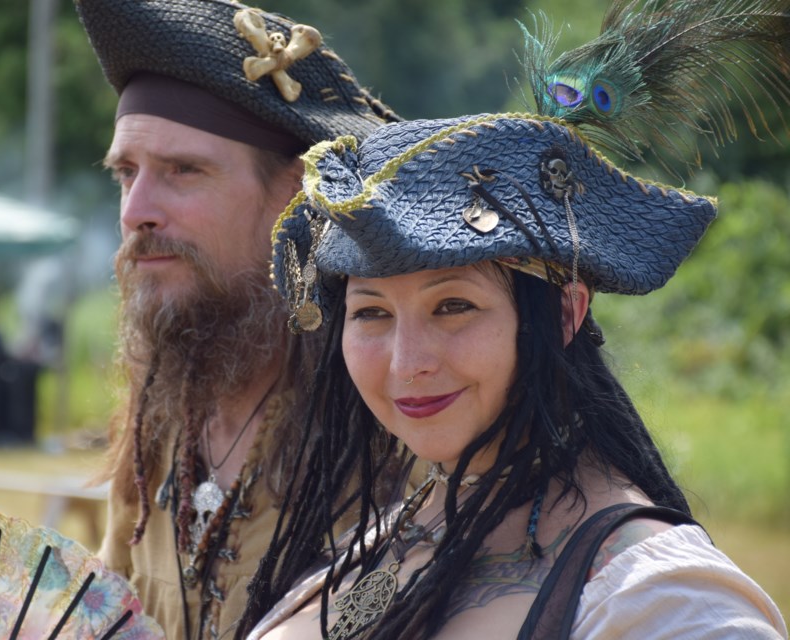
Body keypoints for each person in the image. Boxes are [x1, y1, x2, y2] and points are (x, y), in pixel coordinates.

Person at [236, 3, 790, 638]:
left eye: (454, 306)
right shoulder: (401, 526)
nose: (406, 361)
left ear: (563, 313)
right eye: (370, 313)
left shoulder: (662, 600)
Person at [74, 1, 400, 638]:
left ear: (295, 198)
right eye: (126, 174)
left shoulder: (396, 419)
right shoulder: (160, 420)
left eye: (183, 171)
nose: (136, 212)